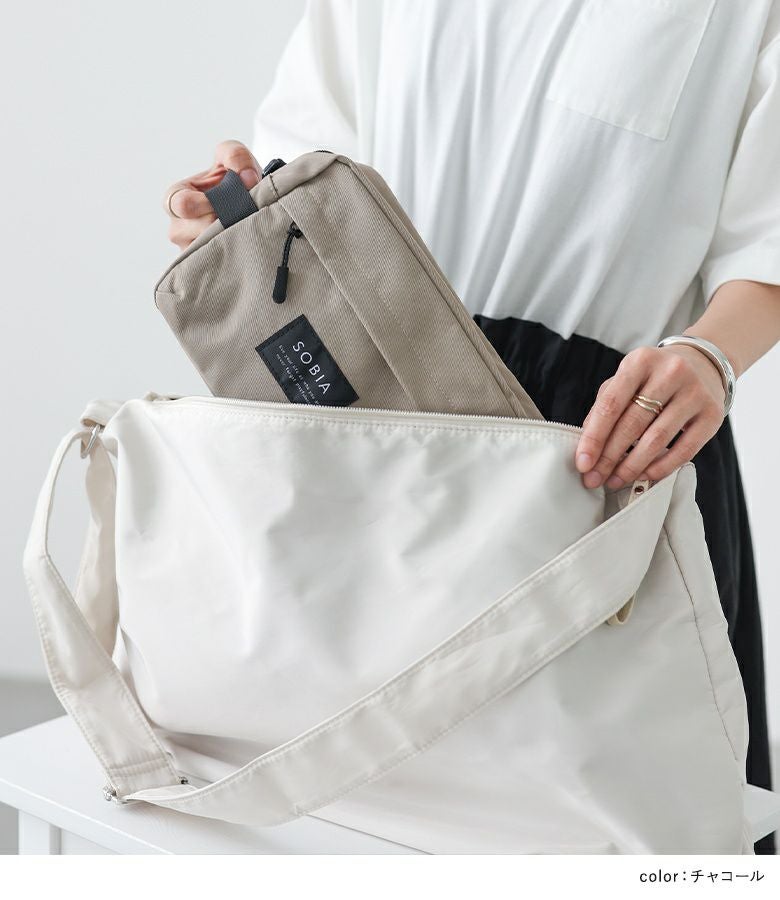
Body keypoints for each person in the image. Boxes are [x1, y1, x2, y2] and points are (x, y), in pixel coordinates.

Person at [163, 0, 780, 853]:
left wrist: (711, 356)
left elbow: (768, 240)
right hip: (374, 402)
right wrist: (241, 209)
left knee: (626, 825)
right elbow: (309, 162)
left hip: (600, 436)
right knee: (336, 808)